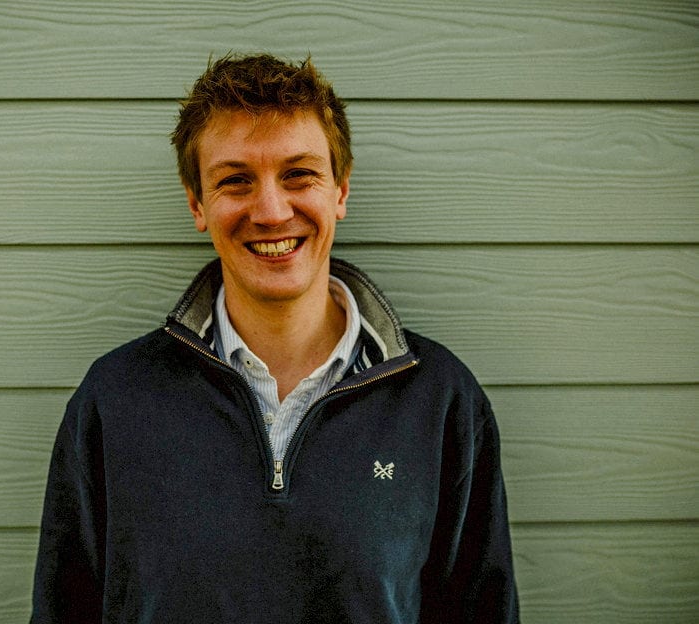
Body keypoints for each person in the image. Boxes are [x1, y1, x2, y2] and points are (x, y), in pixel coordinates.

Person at [31, 53, 519, 623]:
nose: (270, 210)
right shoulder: (114, 400)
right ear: (197, 204)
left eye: (298, 175)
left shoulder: (440, 401)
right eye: (236, 180)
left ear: (340, 190)